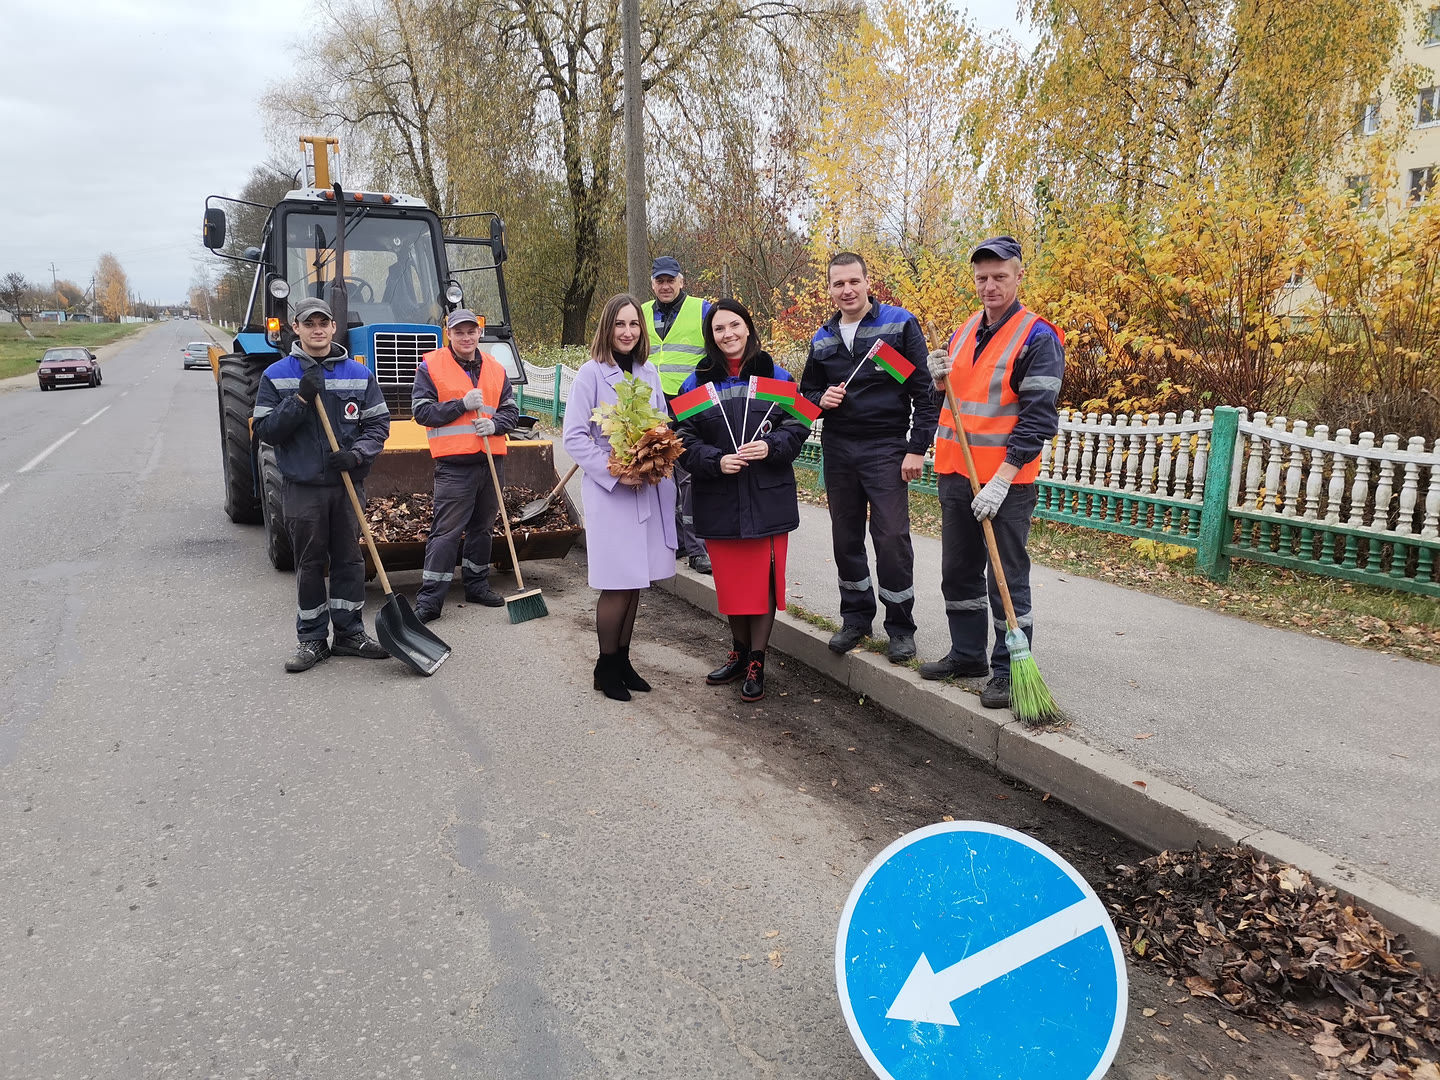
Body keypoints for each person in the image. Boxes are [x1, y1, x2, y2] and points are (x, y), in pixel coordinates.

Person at [920, 235, 1064, 709]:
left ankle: (1007, 669)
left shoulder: (1038, 337)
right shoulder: (964, 330)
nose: (990, 286)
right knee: (958, 571)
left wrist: (1003, 477)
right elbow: (953, 398)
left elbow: (1037, 418)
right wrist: (937, 374)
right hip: (956, 473)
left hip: (1005, 483)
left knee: (1007, 578)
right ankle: (967, 656)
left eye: (1000, 276)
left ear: (1019, 276)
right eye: (982, 278)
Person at [798, 252, 938, 664]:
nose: (846, 290)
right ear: (830, 288)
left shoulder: (897, 325)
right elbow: (806, 396)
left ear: (866, 281)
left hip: (886, 447)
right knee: (846, 539)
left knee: (891, 538)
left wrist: (916, 447)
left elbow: (924, 392)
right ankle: (856, 619)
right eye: (838, 284)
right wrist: (820, 399)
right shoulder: (822, 338)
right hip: (838, 449)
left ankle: (900, 628)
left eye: (853, 282)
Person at [676, 300, 808, 703]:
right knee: (731, 585)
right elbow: (682, 439)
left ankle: (757, 660)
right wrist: (716, 461)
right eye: (719, 329)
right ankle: (737, 651)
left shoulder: (776, 374)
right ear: (710, 337)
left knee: (762, 585)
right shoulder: (695, 383)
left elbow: (798, 424)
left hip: (767, 497)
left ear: (748, 328)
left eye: (735, 325)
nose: (728, 334)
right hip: (720, 496)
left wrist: (771, 447)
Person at [252, 297, 391, 672]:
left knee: (348, 560)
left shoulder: (358, 374)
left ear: (333, 327)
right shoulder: (277, 375)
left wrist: (357, 454)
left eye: (323, 322)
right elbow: (266, 431)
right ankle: (312, 639)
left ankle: (349, 634)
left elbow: (378, 425)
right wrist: (299, 399)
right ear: (296, 328)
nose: (317, 329)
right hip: (303, 488)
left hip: (346, 485)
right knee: (311, 563)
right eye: (309, 323)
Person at [562, 293, 678, 702]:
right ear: (606, 328)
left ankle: (623, 661)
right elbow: (574, 436)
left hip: (646, 489)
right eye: (619, 325)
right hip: (613, 494)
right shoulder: (590, 375)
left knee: (636, 581)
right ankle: (604, 664)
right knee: (616, 582)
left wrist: (656, 459)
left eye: (634, 325)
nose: (627, 332)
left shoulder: (649, 373)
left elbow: (660, 425)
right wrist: (618, 471)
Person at [410, 308, 521, 623]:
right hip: (455, 466)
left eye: (471, 331)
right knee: (445, 533)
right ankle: (430, 601)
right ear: (449, 334)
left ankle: (476, 584)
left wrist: (496, 425)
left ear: (479, 333)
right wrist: (461, 405)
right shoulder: (431, 366)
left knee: (482, 528)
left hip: (490, 461)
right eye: (459, 331)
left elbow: (512, 411)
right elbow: (422, 412)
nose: (466, 336)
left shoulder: (496, 369)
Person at [641, 256, 713, 575]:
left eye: (671, 280)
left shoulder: (702, 310)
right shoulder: (641, 313)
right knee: (656, 472)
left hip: (689, 403)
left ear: (681, 281)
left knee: (689, 474)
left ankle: (698, 549)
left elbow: (717, 352)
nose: (665, 286)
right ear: (653, 283)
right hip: (651, 405)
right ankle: (675, 541)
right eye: (660, 281)